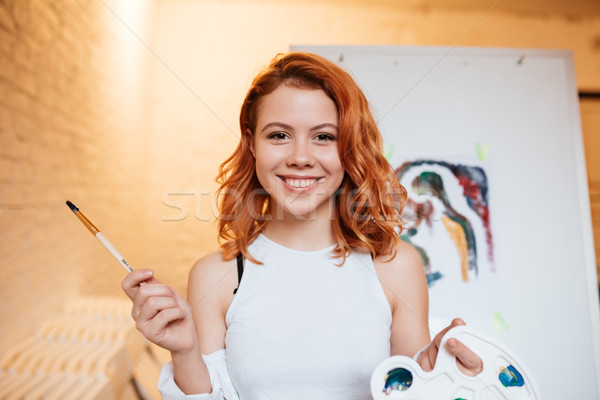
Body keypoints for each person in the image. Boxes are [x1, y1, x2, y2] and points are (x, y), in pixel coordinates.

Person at [121, 52, 483, 399]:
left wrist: (443, 380)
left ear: (349, 148)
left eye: (323, 136)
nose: (299, 158)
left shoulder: (395, 266)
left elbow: (411, 390)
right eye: (279, 135)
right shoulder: (216, 275)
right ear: (252, 144)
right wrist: (185, 351)